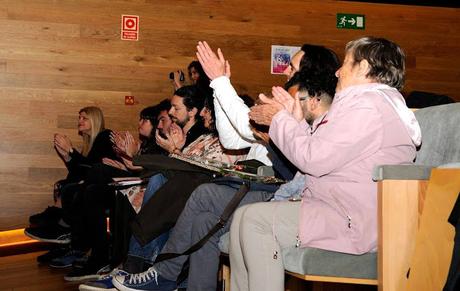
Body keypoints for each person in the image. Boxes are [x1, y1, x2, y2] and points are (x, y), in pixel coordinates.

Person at [111, 41, 340, 291]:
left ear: (310, 72)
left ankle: (163, 272)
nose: (285, 71)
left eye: (292, 67)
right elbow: (233, 138)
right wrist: (218, 87)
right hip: (261, 184)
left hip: (284, 194)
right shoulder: (295, 99)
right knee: (203, 221)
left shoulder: (310, 104)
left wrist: (220, 82)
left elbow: (247, 128)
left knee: (202, 192)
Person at [229, 36, 422, 291]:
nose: (338, 71)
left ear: (363, 68)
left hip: (354, 219)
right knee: (242, 216)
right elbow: (320, 151)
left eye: (346, 63)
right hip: (339, 207)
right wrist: (293, 118)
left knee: (256, 220)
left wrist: (280, 120)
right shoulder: (367, 104)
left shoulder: (368, 107)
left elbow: (313, 159)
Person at [25, 106, 118, 247]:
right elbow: (80, 171)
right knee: (64, 184)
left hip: (105, 188)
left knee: (69, 188)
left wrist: (70, 150)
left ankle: (60, 225)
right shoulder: (89, 144)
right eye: (79, 118)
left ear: (95, 120)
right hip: (92, 184)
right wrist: (67, 156)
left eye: (84, 118)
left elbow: (94, 168)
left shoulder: (105, 136)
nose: (80, 120)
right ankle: (58, 233)